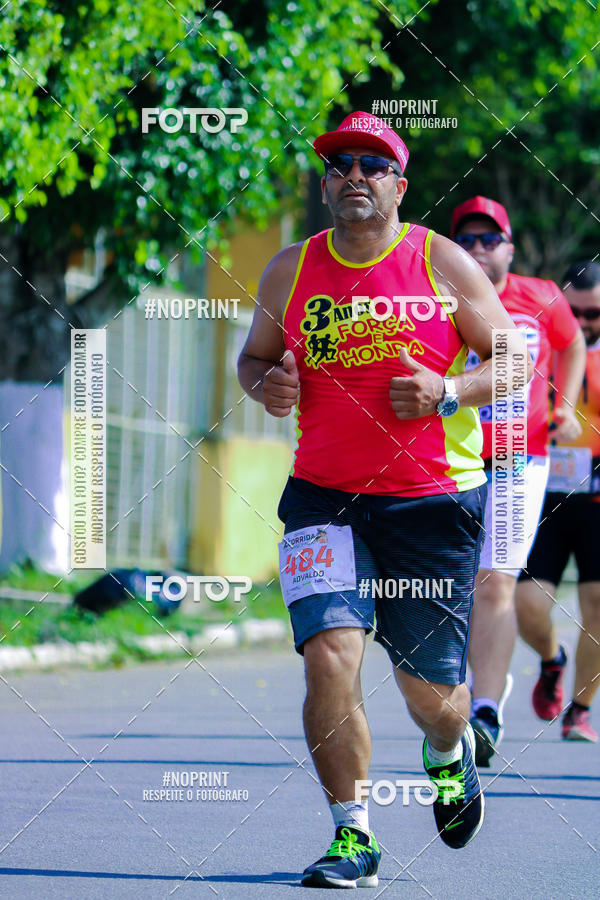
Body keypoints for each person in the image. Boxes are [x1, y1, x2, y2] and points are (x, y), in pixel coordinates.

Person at [238, 113, 531, 889]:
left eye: (373, 164)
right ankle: (353, 836)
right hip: (322, 501)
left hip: (430, 503)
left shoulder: (440, 262)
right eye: (340, 166)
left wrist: (449, 390)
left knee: (431, 697)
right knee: (331, 655)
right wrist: (265, 384)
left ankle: (448, 752)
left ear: (400, 184)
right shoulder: (290, 271)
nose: (355, 176)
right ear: (327, 184)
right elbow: (255, 360)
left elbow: (513, 363)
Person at [449, 197, 586, 767]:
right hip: (446, 457)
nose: (479, 250)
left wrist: (567, 404)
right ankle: (463, 693)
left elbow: (573, 342)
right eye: (469, 241)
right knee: (448, 588)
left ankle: (484, 711)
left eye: (490, 240)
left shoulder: (543, 296)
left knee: (496, 582)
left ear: (509, 247)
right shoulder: (437, 296)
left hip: (518, 460)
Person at [515, 260, 600, 742]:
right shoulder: (538, 347)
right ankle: (552, 661)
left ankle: (581, 710)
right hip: (540, 489)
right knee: (526, 602)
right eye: (576, 312)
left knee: (598, 604)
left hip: (596, 499)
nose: (585, 323)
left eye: (595, 313)